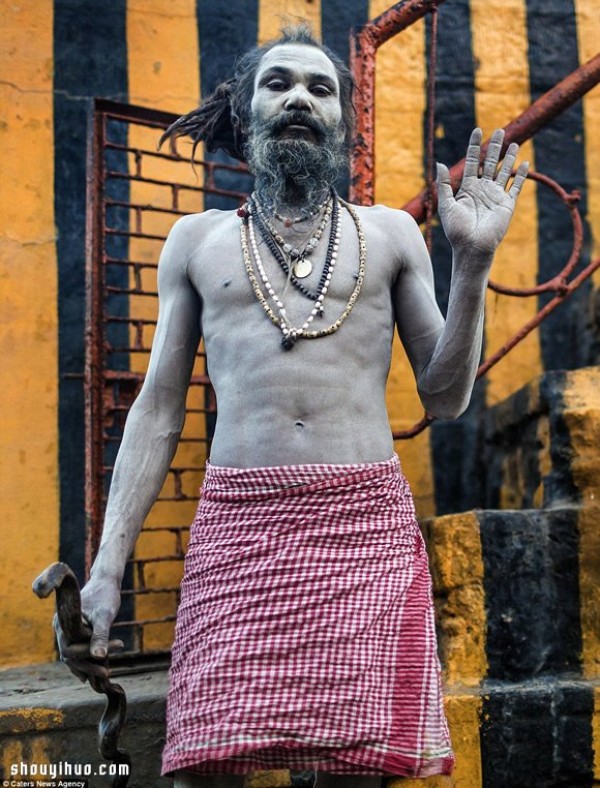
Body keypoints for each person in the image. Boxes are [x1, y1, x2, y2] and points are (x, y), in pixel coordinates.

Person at [57, 23, 528, 788]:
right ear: (245, 112)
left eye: (321, 87)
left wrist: (471, 264)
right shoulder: (196, 241)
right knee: (207, 761)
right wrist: (109, 565)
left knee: (358, 765)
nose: (300, 99)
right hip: (238, 528)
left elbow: (445, 396)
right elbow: (155, 411)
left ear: (346, 120)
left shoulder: (393, 234)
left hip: (363, 528)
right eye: (278, 84)